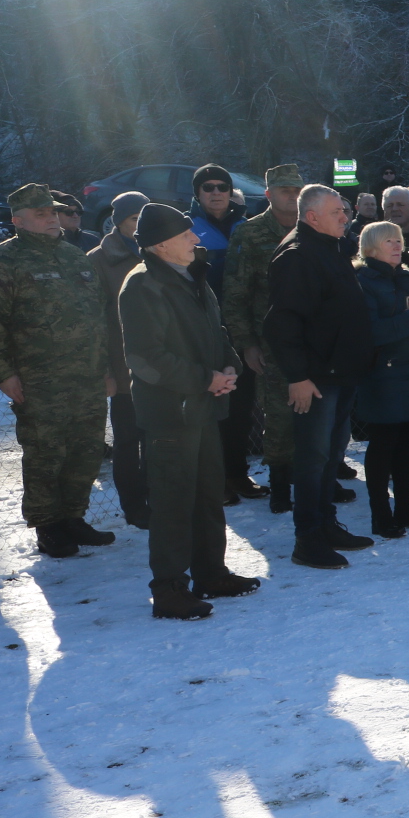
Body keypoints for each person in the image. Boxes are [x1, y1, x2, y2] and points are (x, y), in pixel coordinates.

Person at [116, 203, 257, 620]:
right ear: (161, 245)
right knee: (173, 500)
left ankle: (210, 572)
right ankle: (169, 589)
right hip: (170, 412)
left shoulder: (193, 276)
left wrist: (228, 365)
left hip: (202, 406)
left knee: (208, 495)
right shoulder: (143, 285)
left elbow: (217, 332)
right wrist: (205, 379)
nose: (197, 239)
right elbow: (146, 357)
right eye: (186, 235)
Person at [0, 184, 114, 558]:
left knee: (85, 451)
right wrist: (3, 375)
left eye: (53, 213)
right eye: (41, 214)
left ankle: (73, 518)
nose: (51, 219)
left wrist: (108, 368)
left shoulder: (75, 257)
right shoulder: (3, 262)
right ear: (18, 221)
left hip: (87, 377)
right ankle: (48, 526)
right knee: (46, 454)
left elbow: (100, 317)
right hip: (39, 381)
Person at [264, 185, 376, 569]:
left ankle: (326, 524)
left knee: (330, 456)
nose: (346, 217)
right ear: (311, 217)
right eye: (336, 212)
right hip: (315, 378)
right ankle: (307, 538)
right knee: (312, 459)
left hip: (339, 373)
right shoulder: (298, 255)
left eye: (344, 211)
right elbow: (282, 323)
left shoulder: (327, 246)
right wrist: (297, 376)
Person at [223, 164, 305, 513]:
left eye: (297, 191)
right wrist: (247, 344)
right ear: (269, 195)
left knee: (317, 415)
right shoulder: (250, 234)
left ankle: (317, 479)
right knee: (280, 416)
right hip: (270, 341)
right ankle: (281, 485)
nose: (292, 197)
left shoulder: (313, 227)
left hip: (313, 340)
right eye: (285, 191)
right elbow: (235, 294)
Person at [354, 221, 409, 537]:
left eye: (399, 240)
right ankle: (381, 515)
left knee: (408, 447)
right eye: (388, 240)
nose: (396, 245)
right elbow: (372, 333)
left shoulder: (408, 278)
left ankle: (406, 508)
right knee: (382, 447)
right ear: (371, 247)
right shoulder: (363, 282)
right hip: (384, 377)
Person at [187, 164, 264, 502]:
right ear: (197, 193)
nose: (216, 192)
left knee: (242, 409)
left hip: (243, 332)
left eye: (222, 186)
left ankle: (237, 475)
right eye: (208, 187)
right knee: (212, 411)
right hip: (204, 334)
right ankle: (213, 480)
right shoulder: (187, 229)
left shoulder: (246, 226)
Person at [88, 192, 151, 528]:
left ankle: (159, 497)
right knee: (128, 441)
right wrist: (107, 371)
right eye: (133, 220)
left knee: (159, 438)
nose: (140, 227)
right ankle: (134, 506)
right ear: (119, 222)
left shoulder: (161, 250)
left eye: (145, 219)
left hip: (161, 367)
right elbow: (95, 322)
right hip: (124, 366)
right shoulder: (98, 260)